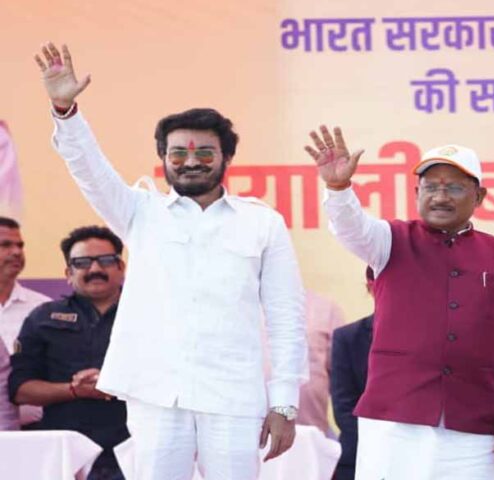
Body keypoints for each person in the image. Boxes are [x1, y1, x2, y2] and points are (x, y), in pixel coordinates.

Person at [35, 43, 307, 479]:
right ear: (163, 159)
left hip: (233, 397)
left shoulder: (262, 223)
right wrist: (66, 112)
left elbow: (286, 317)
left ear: (227, 158)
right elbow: (89, 170)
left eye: (204, 153)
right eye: (178, 153)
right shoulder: (138, 211)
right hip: (157, 394)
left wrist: (284, 404)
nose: (191, 162)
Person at [306, 127, 494, 480]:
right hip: (394, 426)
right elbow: (350, 227)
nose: (440, 197)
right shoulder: (388, 240)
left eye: (454, 188)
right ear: (417, 194)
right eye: (431, 187)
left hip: (476, 429)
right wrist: (339, 188)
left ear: (479, 196)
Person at [9, 226, 129, 479]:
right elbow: (20, 390)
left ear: (121, 267)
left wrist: (119, 383)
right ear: (68, 273)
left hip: (134, 449)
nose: (95, 269)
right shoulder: (42, 318)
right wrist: (74, 390)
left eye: (106, 260)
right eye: (82, 262)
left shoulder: (149, 316)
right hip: (63, 455)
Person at [0, 216, 49, 426]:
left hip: (37, 432)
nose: (16, 252)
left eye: (20, 245)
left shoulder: (43, 309)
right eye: (5, 245)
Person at [330, 267, 375, 480]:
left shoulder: (426, 337)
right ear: (370, 287)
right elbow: (344, 407)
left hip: (415, 454)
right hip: (358, 455)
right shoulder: (347, 338)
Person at [297, 290, 346, 434]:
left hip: (311, 433)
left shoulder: (325, 309)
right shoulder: (242, 310)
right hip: (248, 431)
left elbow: (341, 379)